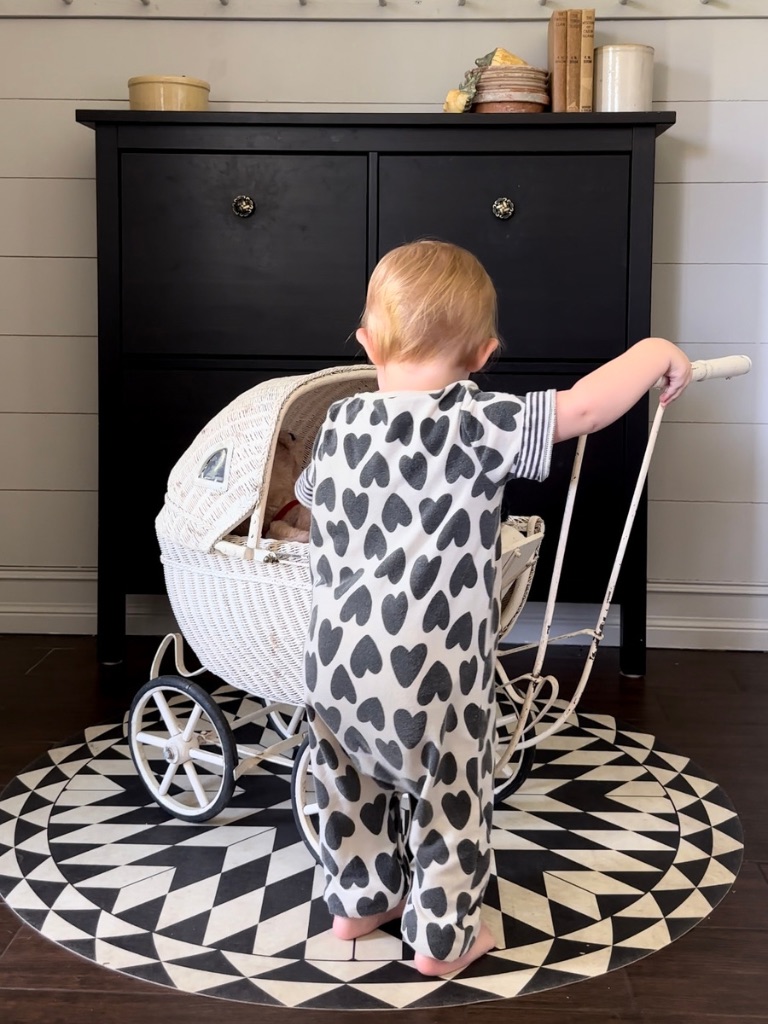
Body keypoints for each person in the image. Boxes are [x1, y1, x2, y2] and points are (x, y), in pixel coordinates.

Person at [294, 239, 692, 977]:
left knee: (348, 786)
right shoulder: (479, 422)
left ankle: (358, 900)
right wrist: (654, 349)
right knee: (449, 799)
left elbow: (311, 502)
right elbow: (583, 408)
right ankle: (443, 940)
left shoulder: (341, 423)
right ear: (483, 355)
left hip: (335, 668)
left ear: (366, 342)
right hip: (435, 675)